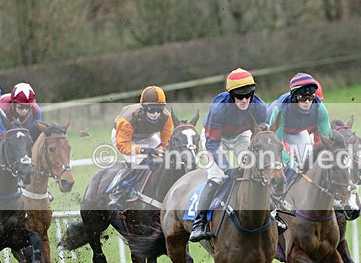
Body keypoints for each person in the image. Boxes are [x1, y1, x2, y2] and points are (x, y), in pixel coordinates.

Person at [189, 68, 269, 242]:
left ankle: (273, 214)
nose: (244, 100)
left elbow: (261, 137)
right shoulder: (219, 108)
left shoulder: (260, 107)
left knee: (257, 170)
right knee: (217, 176)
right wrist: (227, 168)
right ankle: (199, 223)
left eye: (248, 95)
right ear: (231, 95)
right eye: (239, 96)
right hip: (215, 139)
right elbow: (212, 144)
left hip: (242, 136)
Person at [107, 85, 174, 210]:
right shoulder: (127, 119)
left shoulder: (166, 117)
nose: (156, 114)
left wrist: (163, 150)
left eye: (159, 109)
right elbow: (123, 145)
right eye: (152, 109)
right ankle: (119, 191)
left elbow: (167, 142)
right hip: (124, 138)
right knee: (139, 161)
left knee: (163, 159)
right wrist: (143, 150)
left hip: (147, 136)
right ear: (144, 107)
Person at [268, 72, 333, 170]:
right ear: (294, 97)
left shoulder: (320, 108)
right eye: (302, 98)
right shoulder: (281, 110)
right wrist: (292, 163)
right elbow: (275, 144)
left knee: (307, 163)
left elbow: (327, 140)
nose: (307, 101)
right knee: (279, 164)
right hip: (270, 128)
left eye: (310, 97)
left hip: (296, 132)